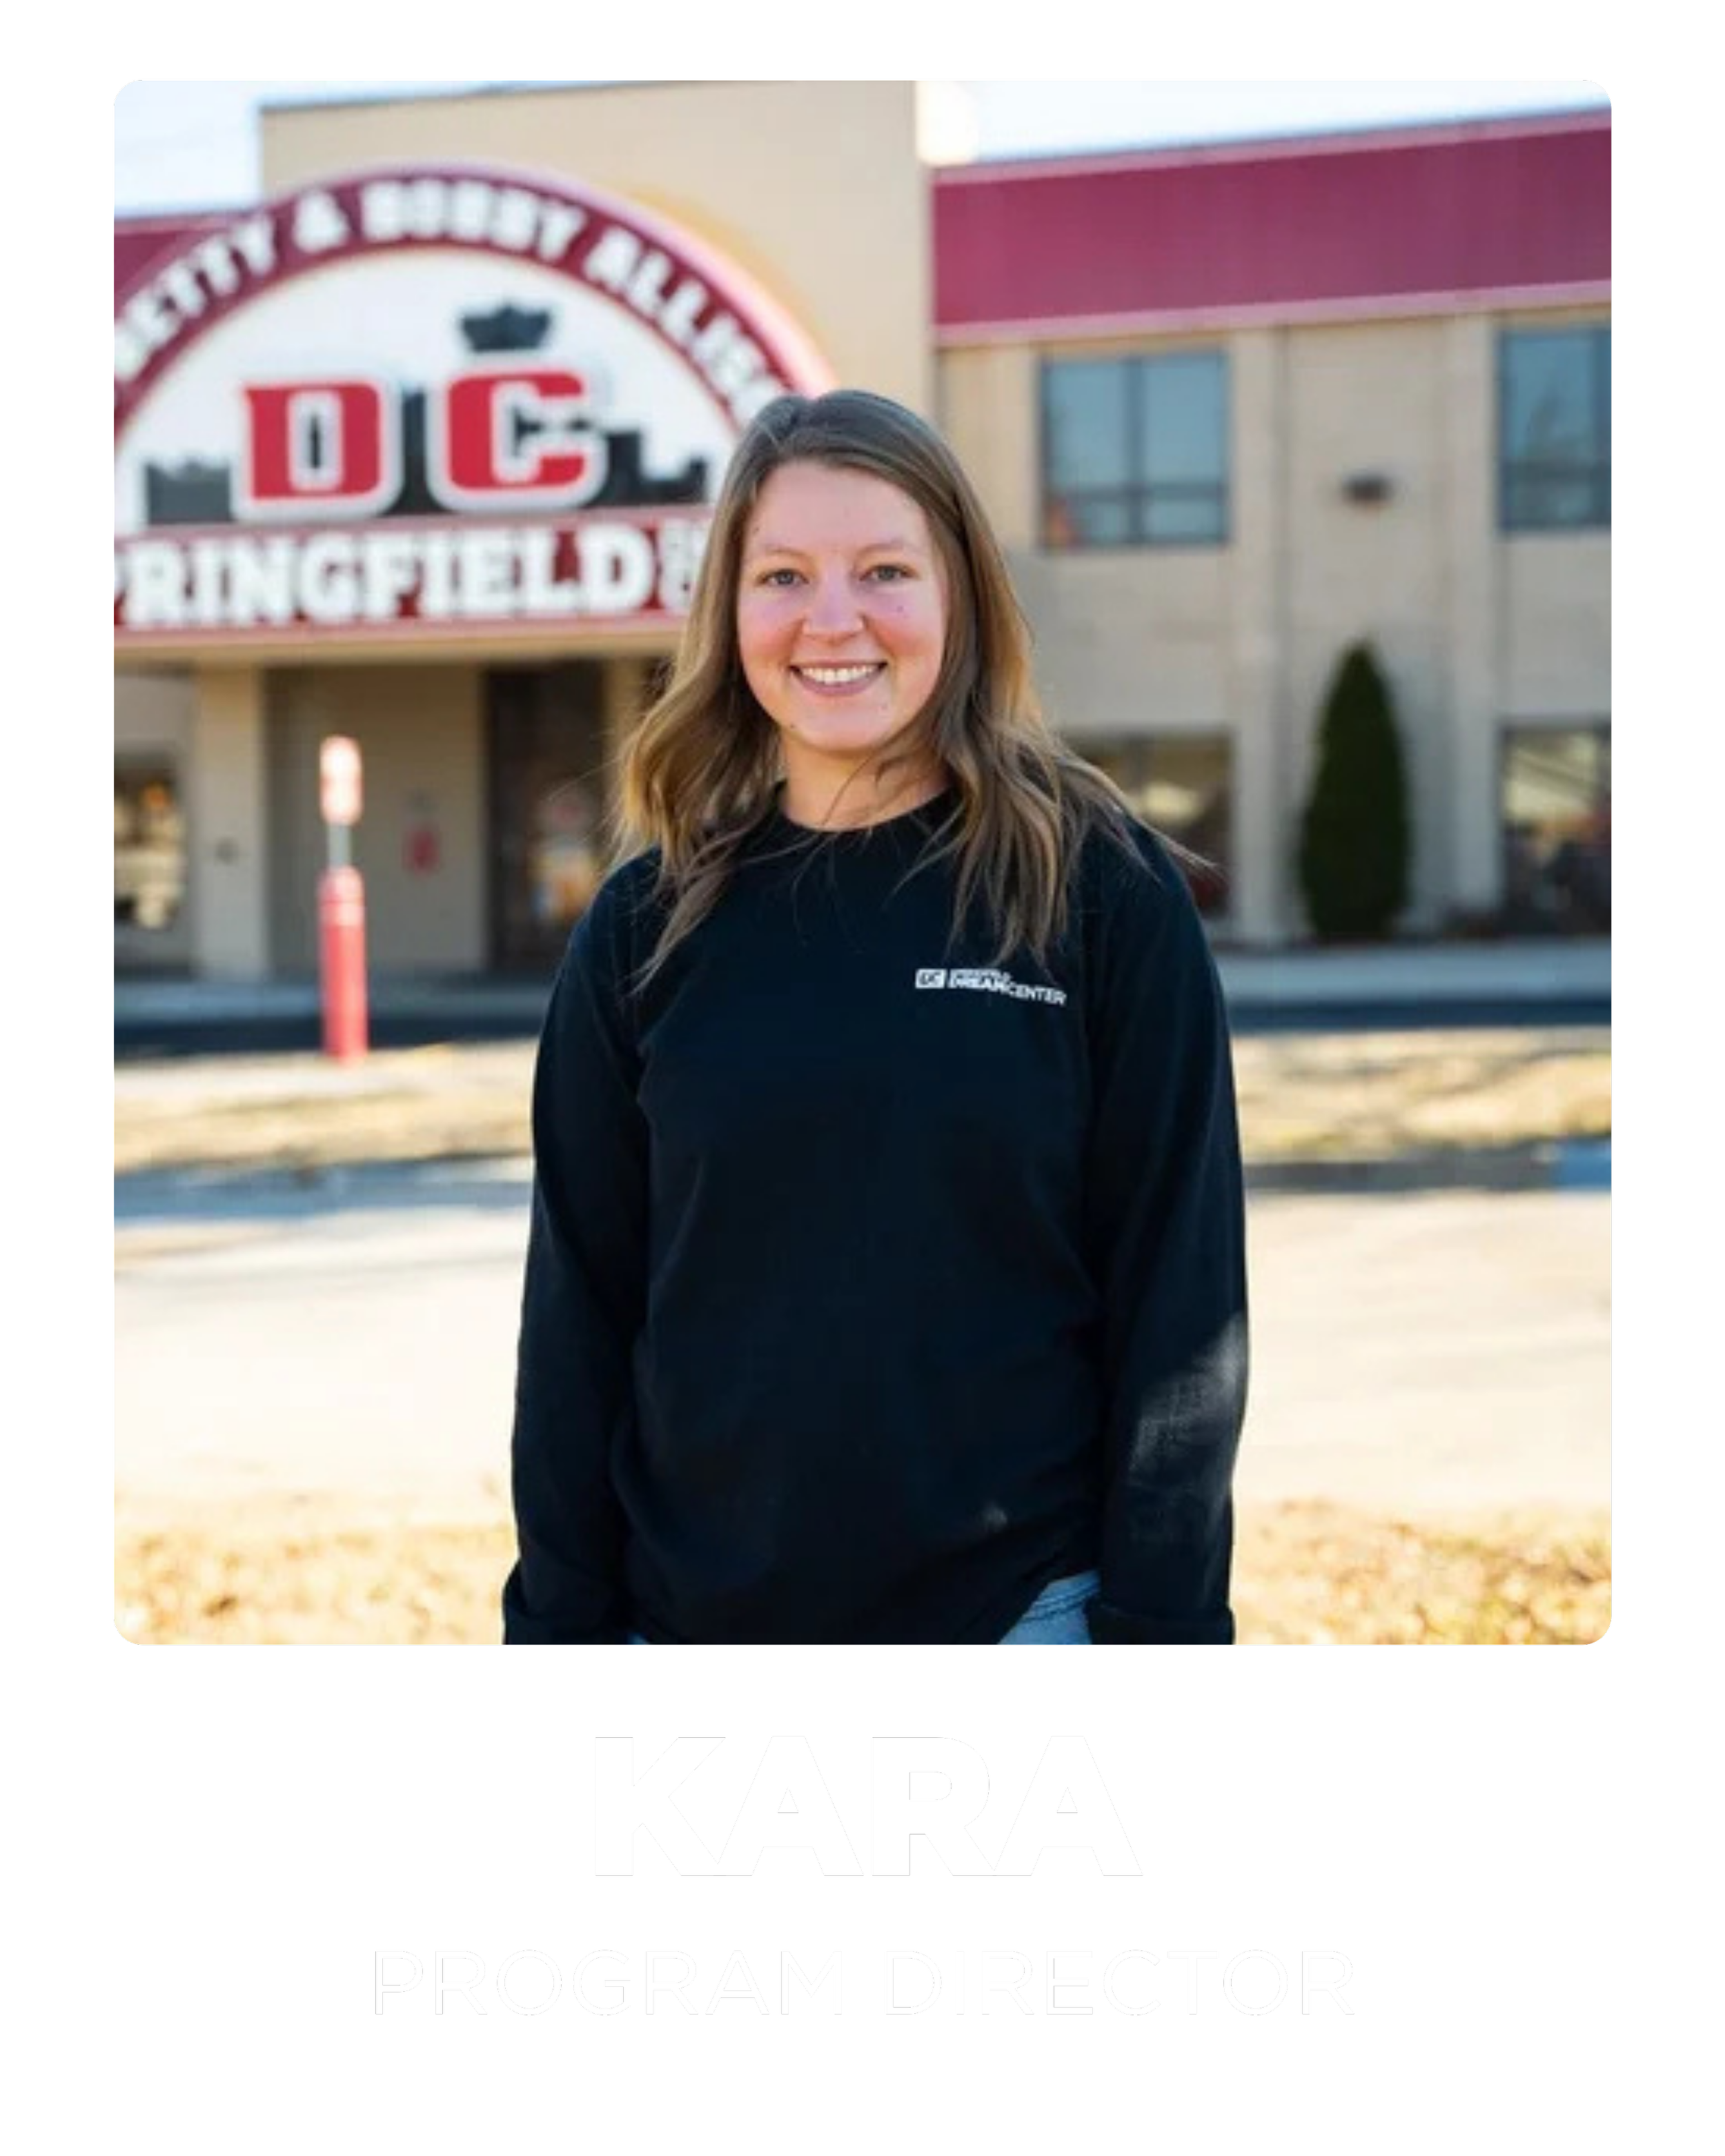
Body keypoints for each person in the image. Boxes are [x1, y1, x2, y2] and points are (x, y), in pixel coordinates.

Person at [500, 386, 1248, 1646]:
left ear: (959, 597)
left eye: (884, 570)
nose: (831, 620)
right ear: (730, 613)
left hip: (1022, 1621)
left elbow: (1181, 1303)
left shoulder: (1094, 893)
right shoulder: (645, 924)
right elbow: (577, 1315)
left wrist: (1158, 1628)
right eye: (782, 575)